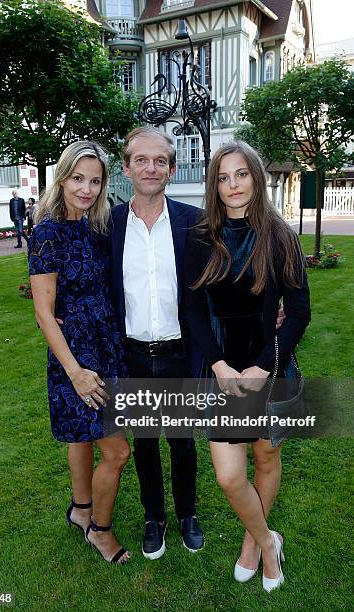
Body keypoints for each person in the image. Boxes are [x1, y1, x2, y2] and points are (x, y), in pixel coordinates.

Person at [185, 141, 310, 591]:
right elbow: (192, 311)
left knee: (265, 454)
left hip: (269, 365)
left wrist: (262, 366)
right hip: (223, 371)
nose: (232, 185)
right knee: (229, 475)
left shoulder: (280, 236)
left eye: (241, 174)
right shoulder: (201, 237)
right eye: (222, 177)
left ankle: (251, 544)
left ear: (256, 177)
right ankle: (268, 538)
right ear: (213, 186)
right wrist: (218, 364)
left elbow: (298, 312)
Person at [28, 141, 131, 564]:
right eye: (78, 178)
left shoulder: (97, 227)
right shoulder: (47, 232)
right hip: (75, 357)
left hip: (106, 345)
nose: (86, 189)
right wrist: (75, 372)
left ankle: (81, 509)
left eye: (95, 180)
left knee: (85, 436)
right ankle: (100, 532)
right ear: (62, 177)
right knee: (118, 450)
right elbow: (43, 313)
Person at [109, 126, 204, 559]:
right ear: (126, 168)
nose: (151, 168)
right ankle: (154, 516)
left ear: (171, 168)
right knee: (144, 441)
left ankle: (187, 512)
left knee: (182, 440)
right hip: (132, 353)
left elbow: (218, 281)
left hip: (180, 351)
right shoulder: (107, 224)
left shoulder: (193, 221)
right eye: (141, 160)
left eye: (160, 161)